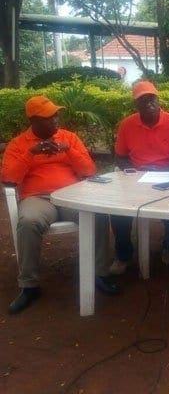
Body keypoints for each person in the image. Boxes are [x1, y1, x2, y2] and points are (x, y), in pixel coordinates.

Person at [1, 96, 120, 314]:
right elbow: (9, 179)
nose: (56, 119)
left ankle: (100, 274)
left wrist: (68, 151)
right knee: (27, 221)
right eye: (49, 117)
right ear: (34, 121)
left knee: (98, 214)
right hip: (38, 198)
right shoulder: (19, 145)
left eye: (56, 114)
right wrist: (31, 153)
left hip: (71, 195)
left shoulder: (69, 138)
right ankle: (29, 286)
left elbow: (88, 171)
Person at [111, 81, 169, 273]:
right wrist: (133, 172)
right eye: (143, 100)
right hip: (138, 178)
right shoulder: (127, 125)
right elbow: (120, 157)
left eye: (151, 98)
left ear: (158, 99)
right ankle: (124, 255)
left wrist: (164, 172)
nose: (148, 103)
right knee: (117, 211)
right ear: (136, 105)